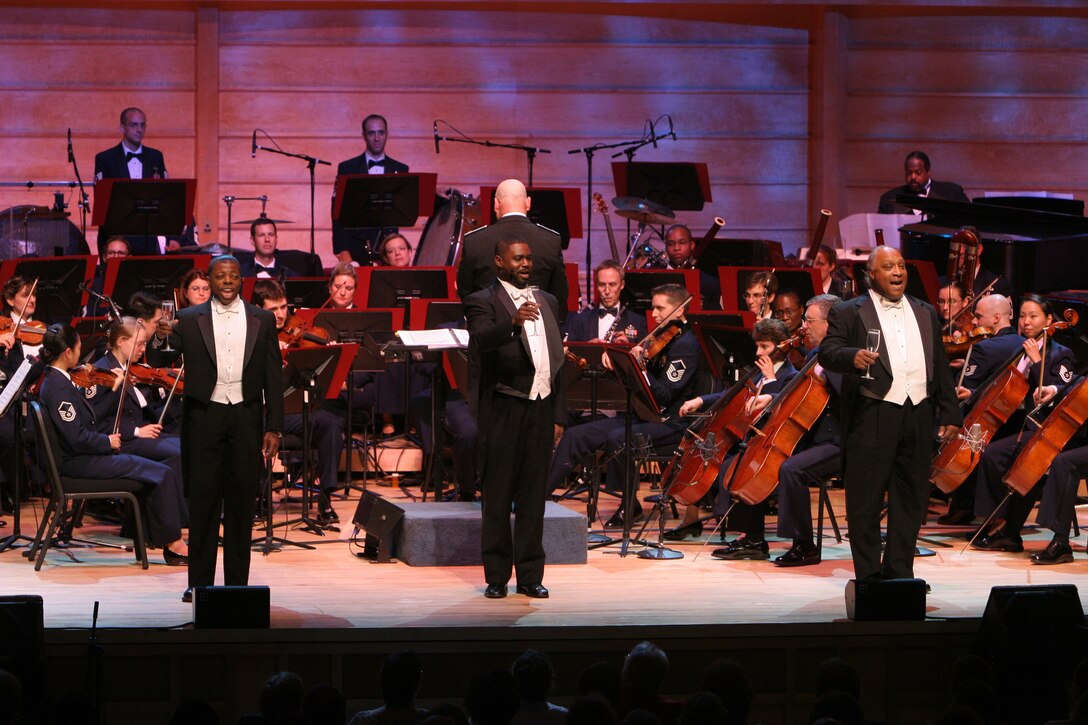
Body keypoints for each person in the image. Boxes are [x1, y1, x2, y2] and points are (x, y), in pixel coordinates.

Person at [819, 246, 961, 581]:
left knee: (911, 499)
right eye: (888, 267)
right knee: (865, 502)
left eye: (900, 265)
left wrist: (951, 412)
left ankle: (899, 573)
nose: (897, 272)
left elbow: (939, 365)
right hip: (873, 413)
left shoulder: (925, 311)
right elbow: (827, 352)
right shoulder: (850, 311)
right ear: (871, 273)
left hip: (918, 414)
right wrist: (851, 356)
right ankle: (869, 577)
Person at [148, 255, 283, 603]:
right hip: (204, 418)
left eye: (233, 277)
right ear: (209, 280)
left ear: (241, 280)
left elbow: (273, 376)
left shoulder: (262, 319)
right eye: (220, 277)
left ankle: (237, 588)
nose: (227, 282)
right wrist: (160, 337)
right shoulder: (188, 318)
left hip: (246, 417)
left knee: (240, 505)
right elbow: (159, 360)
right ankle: (200, 586)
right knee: (204, 505)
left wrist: (275, 427)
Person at [549, 283, 700, 527]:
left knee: (620, 437)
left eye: (661, 309)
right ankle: (540, 497)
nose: (655, 315)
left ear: (680, 311)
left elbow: (665, 394)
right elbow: (636, 387)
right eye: (653, 309)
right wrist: (619, 365)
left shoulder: (686, 345)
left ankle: (630, 506)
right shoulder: (661, 338)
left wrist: (640, 369)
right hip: (643, 416)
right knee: (576, 435)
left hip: (671, 423)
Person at [464, 237, 566, 599]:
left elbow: (555, 363)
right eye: (518, 258)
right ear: (499, 261)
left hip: (539, 408)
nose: (526, 264)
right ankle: (496, 576)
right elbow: (480, 339)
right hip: (503, 409)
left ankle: (529, 576)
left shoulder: (548, 300)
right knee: (497, 495)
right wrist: (511, 322)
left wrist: (558, 415)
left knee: (532, 497)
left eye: (529, 258)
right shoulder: (482, 300)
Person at [36, 324, 188, 565]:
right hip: (79, 464)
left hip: (83, 458)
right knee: (161, 473)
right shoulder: (58, 388)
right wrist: (106, 441)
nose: (80, 355)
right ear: (67, 353)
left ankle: (162, 539)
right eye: (78, 348)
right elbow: (76, 437)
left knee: (158, 472)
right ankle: (174, 545)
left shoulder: (57, 381)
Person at [669, 318, 799, 556]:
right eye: (757, 346)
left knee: (735, 466)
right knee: (720, 459)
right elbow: (731, 394)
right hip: (751, 441)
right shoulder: (759, 372)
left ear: (782, 346)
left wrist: (770, 379)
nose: (758, 352)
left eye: (765, 347)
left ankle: (751, 539)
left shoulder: (791, 376)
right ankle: (743, 534)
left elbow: (777, 411)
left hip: (774, 446)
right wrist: (700, 400)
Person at [970, 294, 1077, 558]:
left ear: (1049, 320)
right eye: (1022, 316)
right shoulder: (1023, 350)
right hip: (1030, 427)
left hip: (1052, 430)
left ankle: (1009, 529)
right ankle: (1004, 525)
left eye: (1033, 316)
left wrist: (1038, 361)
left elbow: (1066, 389)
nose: (1026, 322)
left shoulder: (1061, 353)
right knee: (992, 455)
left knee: (1021, 465)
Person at [252, 279, 345, 526]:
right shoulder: (250, 334)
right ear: (258, 309)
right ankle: (258, 498)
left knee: (331, 424)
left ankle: (325, 497)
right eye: (273, 310)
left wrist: (326, 353)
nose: (282, 315)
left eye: (284, 307)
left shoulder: (295, 334)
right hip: (258, 412)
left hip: (290, 411)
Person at [457, 179, 567, 318]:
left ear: (496, 204)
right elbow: (560, 294)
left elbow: (466, 293)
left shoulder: (474, 240)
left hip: (490, 331)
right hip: (536, 329)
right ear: (528, 203)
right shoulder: (550, 239)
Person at [94, 107, 195, 254]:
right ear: (122, 127)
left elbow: (167, 199)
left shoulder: (155, 157)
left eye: (143, 125)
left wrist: (173, 237)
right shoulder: (105, 159)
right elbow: (102, 203)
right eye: (134, 125)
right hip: (116, 240)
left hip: (148, 239)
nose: (139, 129)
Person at [332, 114, 409, 265]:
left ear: (387, 134)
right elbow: (337, 210)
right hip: (356, 246)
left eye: (381, 132)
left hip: (390, 248)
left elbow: (412, 200)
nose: (377, 138)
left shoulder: (400, 169)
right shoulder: (347, 168)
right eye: (371, 133)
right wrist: (341, 249)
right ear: (363, 136)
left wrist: (435, 192)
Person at [562, 260, 647, 344]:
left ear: (622, 285)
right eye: (602, 284)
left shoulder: (638, 322)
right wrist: (588, 349)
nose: (607, 291)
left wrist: (628, 347)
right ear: (597, 285)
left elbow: (643, 356)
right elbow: (570, 354)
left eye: (612, 284)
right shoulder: (579, 321)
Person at [878, 150, 969, 215]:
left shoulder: (952, 193)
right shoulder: (888, 199)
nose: (913, 177)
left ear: (928, 171)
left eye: (918, 172)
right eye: (909, 173)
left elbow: (970, 221)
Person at [662, 224, 721, 310]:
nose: (676, 248)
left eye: (682, 242)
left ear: (692, 245)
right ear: (666, 247)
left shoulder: (710, 284)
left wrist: (704, 308)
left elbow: (717, 316)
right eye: (670, 244)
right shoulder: (655, 277)